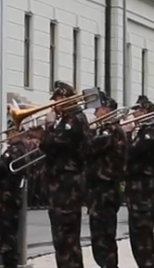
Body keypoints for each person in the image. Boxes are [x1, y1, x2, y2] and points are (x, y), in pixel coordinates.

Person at [41, 81, 90, 268]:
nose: (54, 104)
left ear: (66, 99)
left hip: (67, 186)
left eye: (58, 99)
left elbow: (51, 144)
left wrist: (49, 126)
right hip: (62, 184)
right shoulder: (68, 119)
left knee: (66, 238)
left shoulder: (73, 120)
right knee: (63, 240)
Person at [86, 93, 127, 268]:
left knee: (104, 238)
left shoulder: (111, 131)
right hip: (99, 190)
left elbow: (89, 147)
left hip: (106, 190)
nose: (95, 114)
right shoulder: (104, 130)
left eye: (98, 110)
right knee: (99, 237)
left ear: (107, 110)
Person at [124, 95, 154, 268]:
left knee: (142, 235)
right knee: (137, 235)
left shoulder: (151, 132)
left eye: (138, 111)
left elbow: (131, 153)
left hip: (143, 188)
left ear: (146, 111)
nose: (135, 114)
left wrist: (126, 133)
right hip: (137, 188)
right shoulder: (144, 131)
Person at [0, 121, 32, 268]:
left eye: (9, 133)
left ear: (15, 133)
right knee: (9, 234)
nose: (7, 136)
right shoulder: (23, 149)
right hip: (12, 197)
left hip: (6, 198)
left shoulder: (14, 151)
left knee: (6, 237)